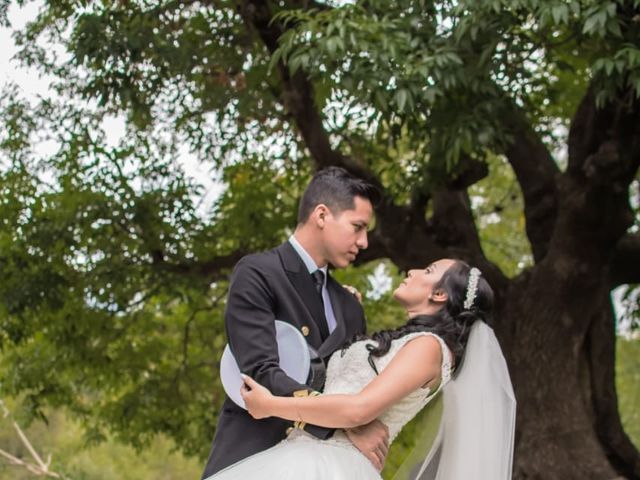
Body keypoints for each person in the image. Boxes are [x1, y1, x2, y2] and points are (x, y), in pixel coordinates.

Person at [205, 259, 516, 480]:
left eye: (429, 270)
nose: (413, 270)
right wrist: (342, 312)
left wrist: (270, 405)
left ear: (439, 294)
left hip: (332, 467)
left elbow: (358, 409)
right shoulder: (409, 342)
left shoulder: (430, 348)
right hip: (300, 454)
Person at [201, 167, 387, 478]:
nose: (365, 242)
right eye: (357, 227)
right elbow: (259, 372)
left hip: (328, 467)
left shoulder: (349, 306)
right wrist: (348, 422)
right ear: (322, 215)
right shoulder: (259, 273)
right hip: (254, 456)